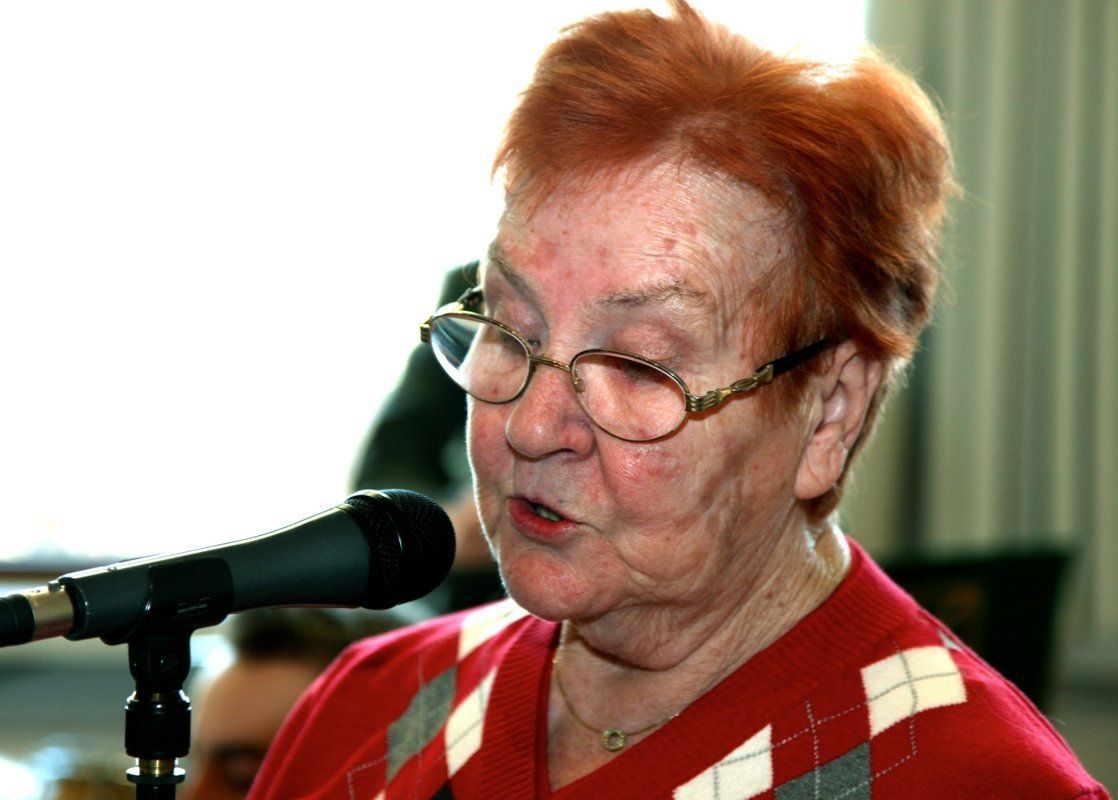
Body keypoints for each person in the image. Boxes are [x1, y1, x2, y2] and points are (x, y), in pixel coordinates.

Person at [248, 2, 1109, 798]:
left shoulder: (976, 780)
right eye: (509, 328)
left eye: (635, 365)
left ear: (830, 413)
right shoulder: (365, 714)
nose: (532, 426)